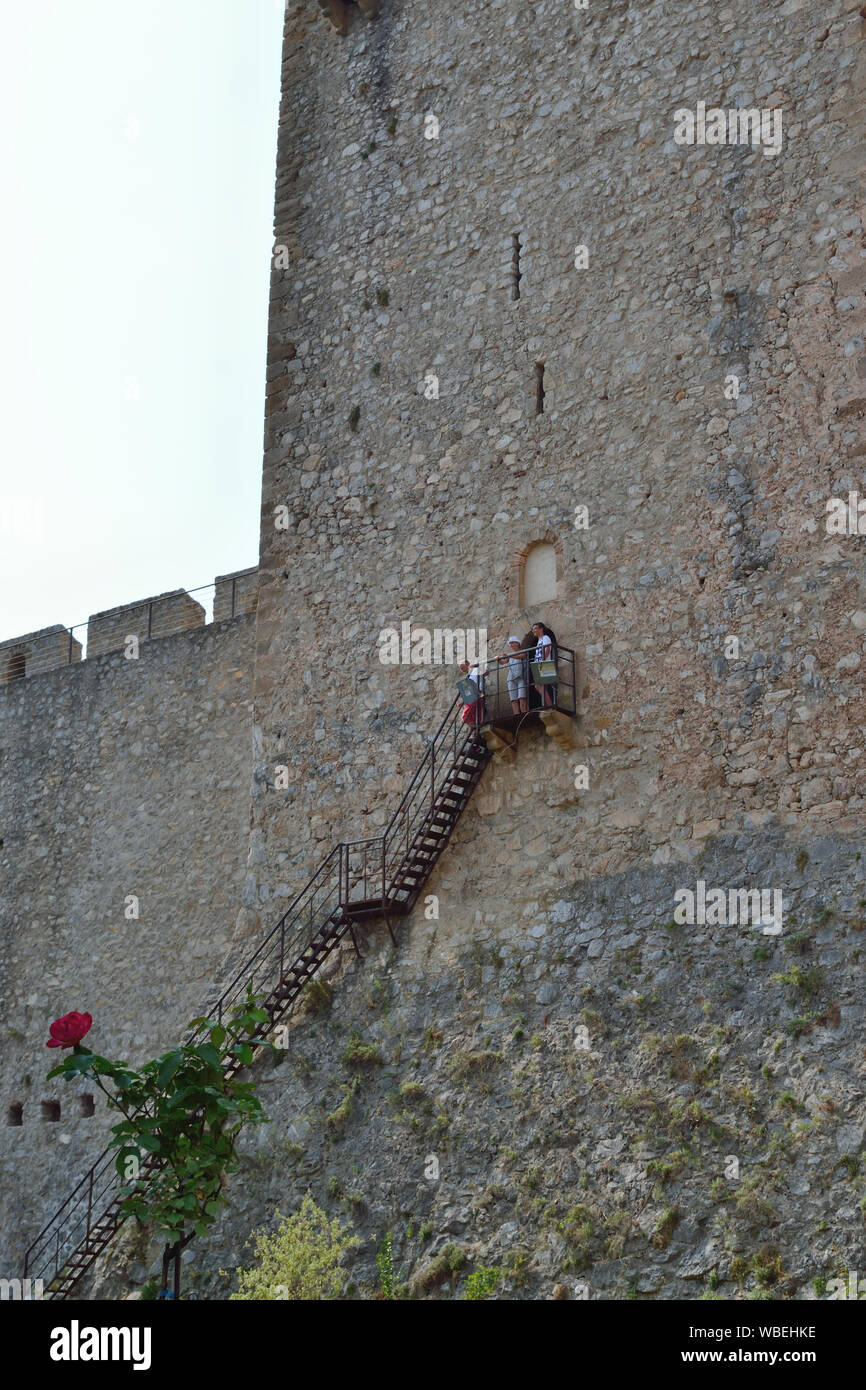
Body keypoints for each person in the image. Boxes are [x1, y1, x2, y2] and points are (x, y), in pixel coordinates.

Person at [499, 635, 528, 714]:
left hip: (521, 677)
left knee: (522, 698)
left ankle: (524, 714)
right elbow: (503, 662)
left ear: (517, 643)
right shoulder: (511, 655)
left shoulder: (523, 652)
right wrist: (498, 660)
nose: (511, 645)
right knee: (514, 700)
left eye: (512, 643)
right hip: (511, 678)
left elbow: (520, 656)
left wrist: (509, 655)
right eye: (510, 643)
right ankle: (516, 716)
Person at [531, 621, 557, 708]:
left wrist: (542, 661)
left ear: (541, 629)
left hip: (544, 664)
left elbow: (547, 649)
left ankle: (549, 705)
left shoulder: (545, 637)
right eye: (533, 629)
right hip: (540, 664)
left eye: (535, 628)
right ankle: (547, 705)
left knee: (538, 686)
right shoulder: (539, 640)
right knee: (542, 687)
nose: (533, 631)